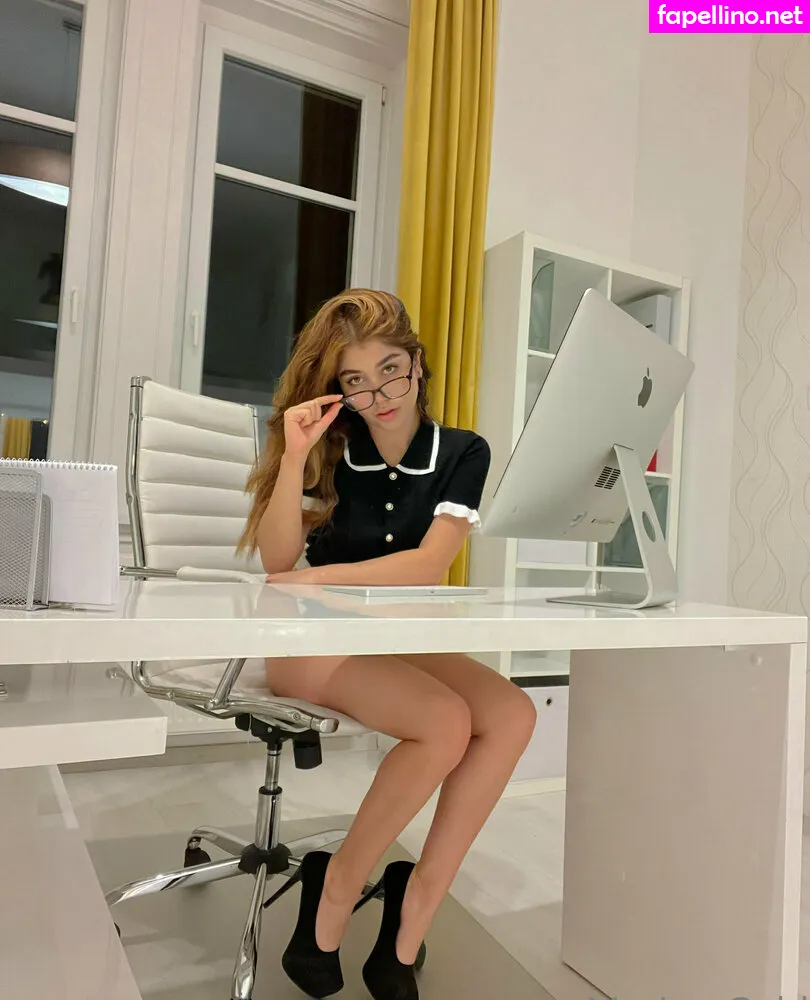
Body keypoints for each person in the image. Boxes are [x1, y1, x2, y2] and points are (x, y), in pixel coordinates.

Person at [239, 289, 537, 1000]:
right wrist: (294, 456)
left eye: (391, 371)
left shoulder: (462, 451)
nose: (379, 397)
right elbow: (277, 561)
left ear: (417, 365)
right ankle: (337, 886)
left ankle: (414, 909)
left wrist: (318, 577)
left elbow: (428, 565)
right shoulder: (333, 447)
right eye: (356, 381)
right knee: (443, 722)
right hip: (312, 638)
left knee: (513, 714)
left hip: (395, 635)